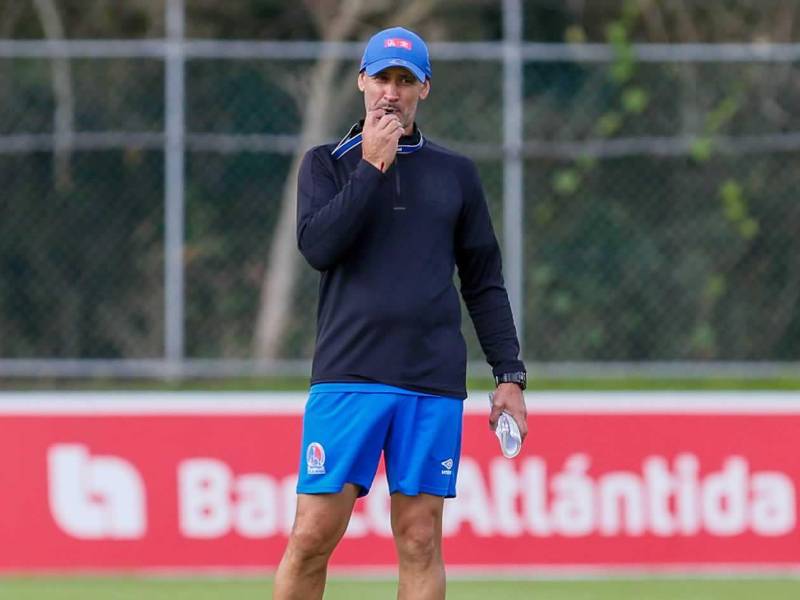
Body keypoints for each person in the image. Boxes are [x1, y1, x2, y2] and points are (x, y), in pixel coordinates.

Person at [273, 26, 528, 600]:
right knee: (313, 535)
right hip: (349, 377)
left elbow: (484, 281)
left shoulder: (455, 174)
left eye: (405, 81)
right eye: (382, 78)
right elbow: (318, 248)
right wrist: (371, 168)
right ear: (362, 81)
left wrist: (509, 375)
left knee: (419, 539)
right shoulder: (326, 164)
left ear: (424, 90)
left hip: (429, 381)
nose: (392, 92)